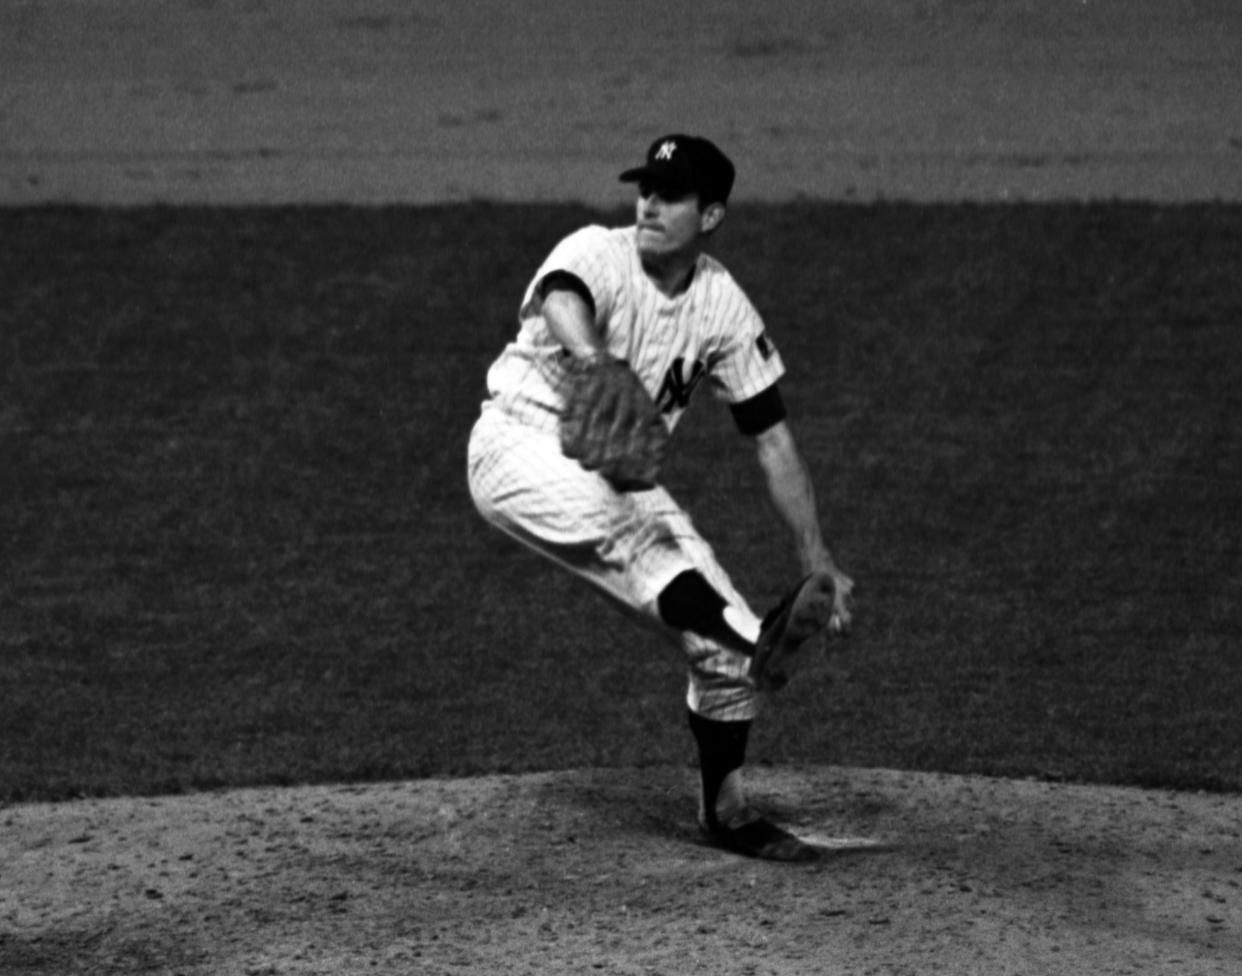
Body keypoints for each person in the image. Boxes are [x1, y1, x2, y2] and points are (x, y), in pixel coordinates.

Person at [467, 134, 855, 862]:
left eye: (670, 195)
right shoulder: (597, 250)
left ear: (709, 216)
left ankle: (728, 810)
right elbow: (561, 297)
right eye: (645, 188)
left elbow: (770, 436)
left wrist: (817, 559)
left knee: (722, 650)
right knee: (638, 542)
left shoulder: (723, 307)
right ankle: (759, 638)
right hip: (515, 446)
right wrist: (595, 359)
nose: (648, 202)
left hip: (613, 480)